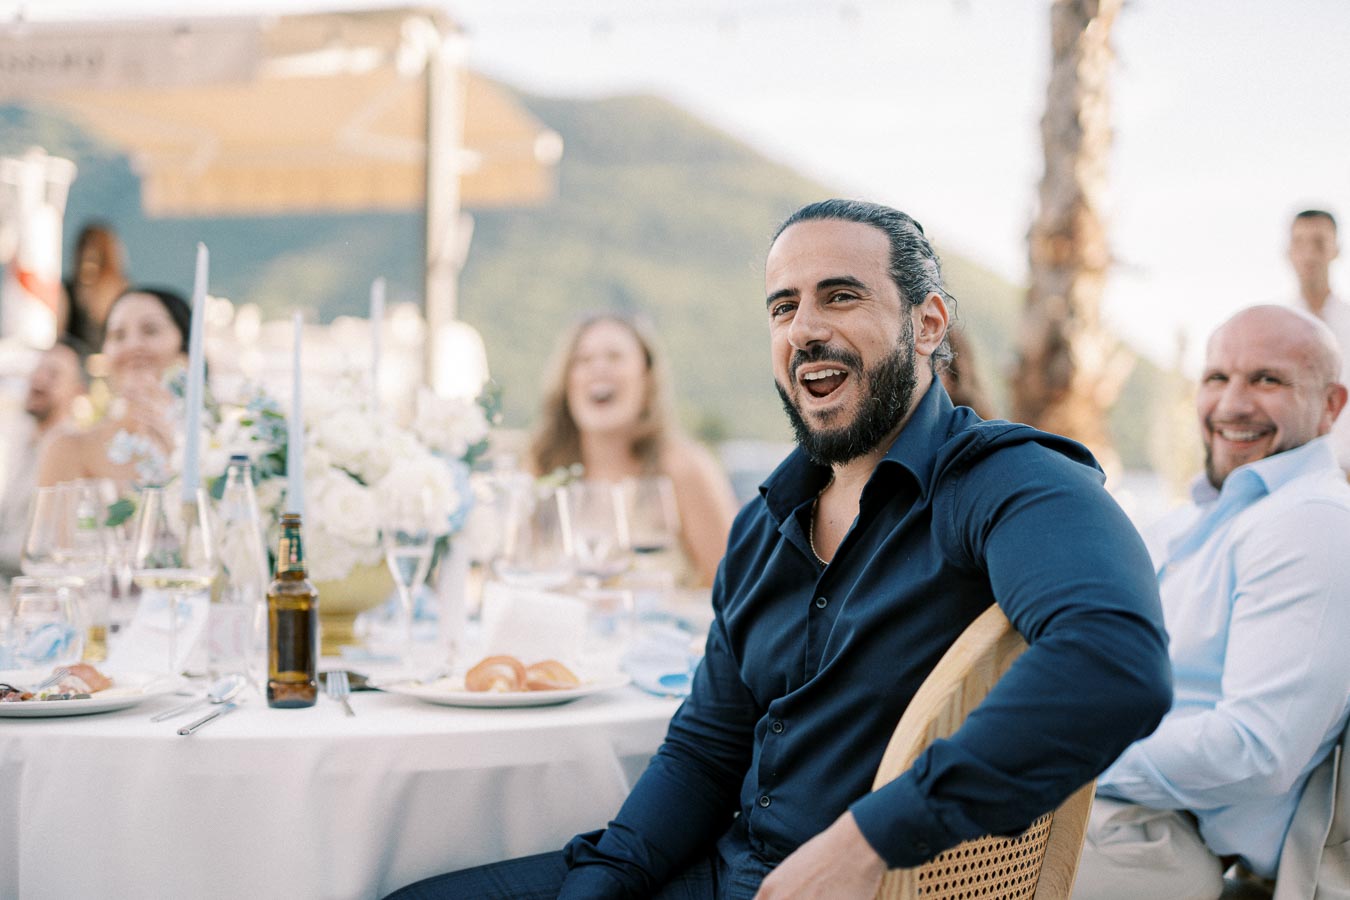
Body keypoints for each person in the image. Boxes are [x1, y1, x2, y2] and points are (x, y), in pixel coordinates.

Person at [389, 199, 1172, 900]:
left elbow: (1115, 660)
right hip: (724, 871)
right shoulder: (764, 522)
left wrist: (869, 842)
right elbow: (705, 748)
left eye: (840, 295)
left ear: (927, 323)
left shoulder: (1007, 479)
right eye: (782, 307)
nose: (805, 329)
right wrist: (601, 881)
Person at [1072, 305, 1350, 900]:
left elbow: (1257, 750)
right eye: (1217, 378)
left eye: (1267, 380)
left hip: (1153, 833)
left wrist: (1057, 754)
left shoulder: (1308, 522)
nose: (1231, 405)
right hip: (1106, 805)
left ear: (1331, 406)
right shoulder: (1201, 519)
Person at [527, 312, 738, 588]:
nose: (598, 369)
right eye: (583, 360)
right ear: (566, 381)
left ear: (647, 377)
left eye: (614, 357)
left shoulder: (684, 467)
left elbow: (739, 591)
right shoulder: (542, 465)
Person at [37, 286, 190, 488]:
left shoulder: (219, 450)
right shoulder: (68, 448)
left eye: (150, 330)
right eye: (118, 335)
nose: (133, 345)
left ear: (186, 348)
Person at [0, 338, 89, 590]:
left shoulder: (74, 455)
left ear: (77, 391)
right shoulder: (17, 440)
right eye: (37, 370)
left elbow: (52, 550)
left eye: (53, 374)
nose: (38, 380)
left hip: (32, 594)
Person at [1287, 209, 1350, 470]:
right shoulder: (1275, 327)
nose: (1310, 254)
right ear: (1288, 251)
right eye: (1300, 242)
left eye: (1319, 242)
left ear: (1336, 249)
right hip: (1293, 474)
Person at [61, 222, 130, 350]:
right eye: (84, 257)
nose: (88, 264)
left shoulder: (123, 290)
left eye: (94, 260)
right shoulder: (68, 290)